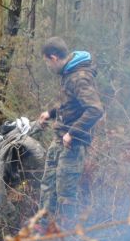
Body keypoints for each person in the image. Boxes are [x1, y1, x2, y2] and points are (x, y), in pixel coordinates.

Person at [37, 37, 104, 226]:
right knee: (48, 185)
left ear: (54, 58)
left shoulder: (80, 77)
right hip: (59, 138)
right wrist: (50, 113)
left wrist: (72, 133)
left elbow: (95, 109)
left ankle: (67, 237)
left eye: (47, 62)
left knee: (66, 193)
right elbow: (69, 103)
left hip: (72, 142)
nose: (48, 67)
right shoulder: (68, 73)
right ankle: (43, 228)